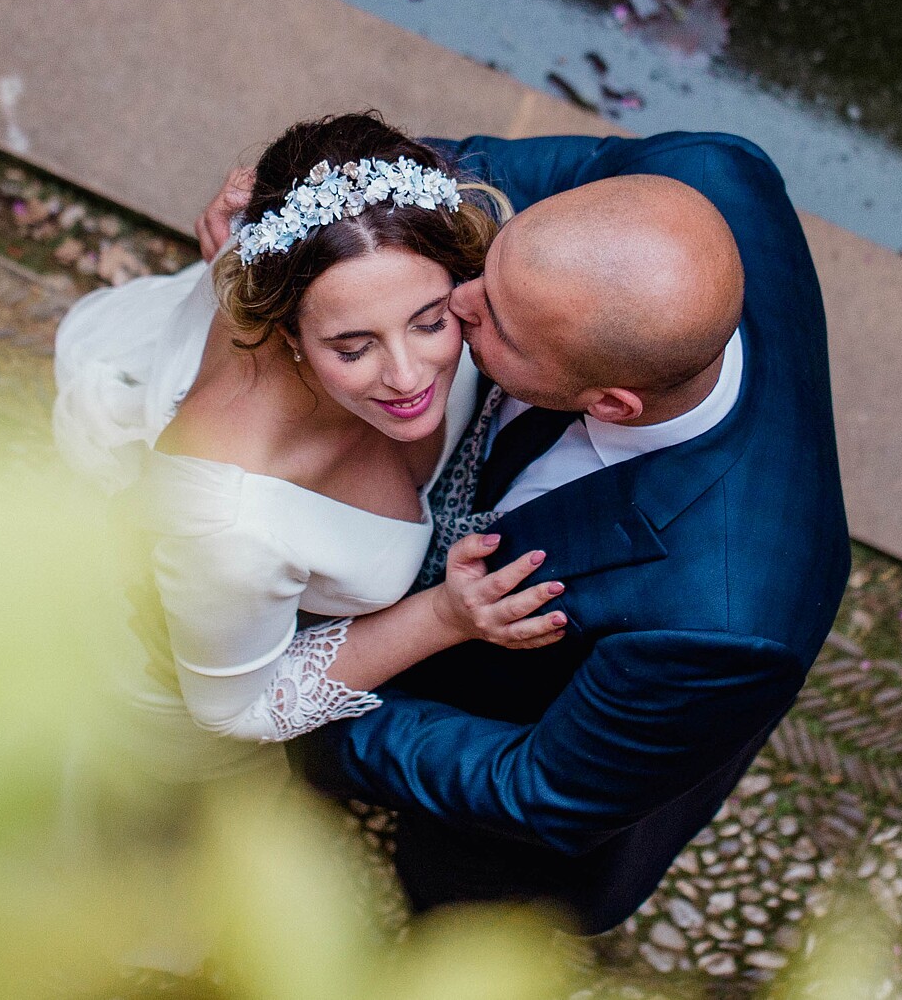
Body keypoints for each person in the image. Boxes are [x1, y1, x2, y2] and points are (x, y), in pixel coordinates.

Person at [194, 128, 850, 933]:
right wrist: (324, 212)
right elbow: (500, 170)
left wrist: (318, 716)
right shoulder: (712, 173)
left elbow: (540, 788)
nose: (455, 302)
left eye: (496, 324)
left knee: (461, 906)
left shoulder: (723, 623)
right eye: (490, 269)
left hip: (508, 771)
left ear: (609, 402)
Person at [52, 112, 568, 785]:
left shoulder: (358, 240)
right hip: (180, 677)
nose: (409, 376)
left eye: (432, 321)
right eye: (352, 347)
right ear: (283, 328)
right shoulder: (228, 525)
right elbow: (233, 705)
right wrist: (442, 614)